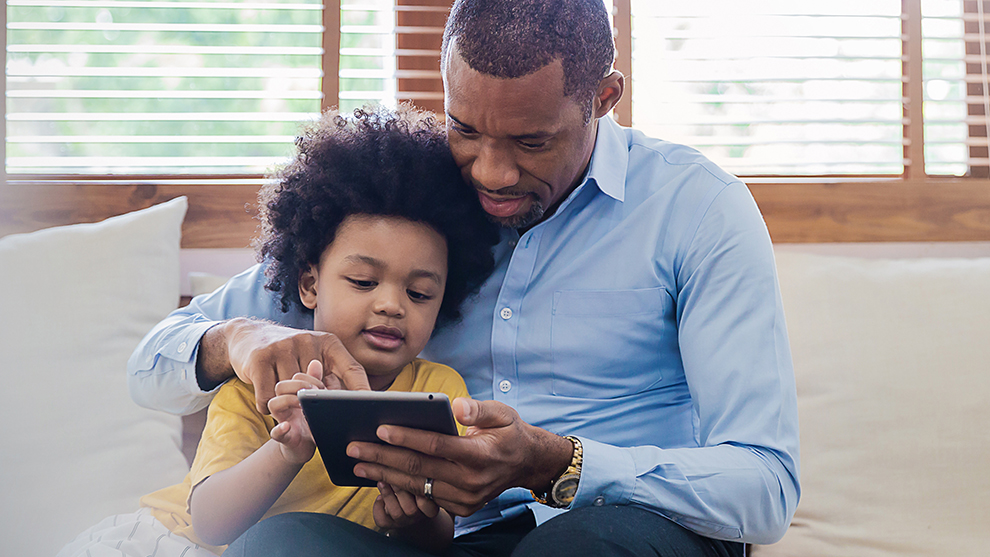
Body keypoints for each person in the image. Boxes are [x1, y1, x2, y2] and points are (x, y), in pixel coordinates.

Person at [129, 1, 801, 555]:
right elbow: (149, 363)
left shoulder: (699, 209)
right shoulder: (416, 207)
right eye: (465, 129)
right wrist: (237, 338)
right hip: (443, 539)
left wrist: (557, 463)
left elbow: (765, 486)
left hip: (623, 527)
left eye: (531, 141)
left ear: (604, 97)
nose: (490, 172)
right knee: (279, 545)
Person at [59, 104, 499, 557]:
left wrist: (413, 521)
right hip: (175, 542)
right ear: (310, 285)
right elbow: (210, 523)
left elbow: (440, 535)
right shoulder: (263, 382)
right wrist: (288, 449)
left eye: (420, 294)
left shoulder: (439, 391)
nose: (392, 304)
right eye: (364, 282)